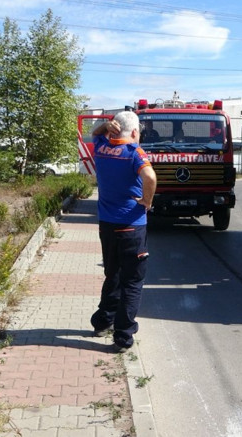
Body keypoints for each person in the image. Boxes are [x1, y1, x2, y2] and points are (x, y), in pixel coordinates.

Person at [89, 111, 157, 353]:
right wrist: (147, 201)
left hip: (107, 224)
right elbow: (150, 176)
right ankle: (123, 335)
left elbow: (94, 133)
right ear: (136, 132)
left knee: (113, 274)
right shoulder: (134, 153)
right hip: (132, 226)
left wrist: (104, 126)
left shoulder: (101, 146)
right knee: (132, 281)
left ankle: (102, 321)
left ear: (113, 128)